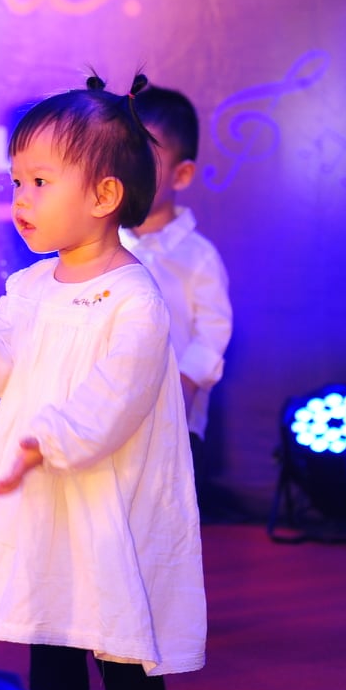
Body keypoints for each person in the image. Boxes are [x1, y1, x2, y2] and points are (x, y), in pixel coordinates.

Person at [0, 74, 206, 690]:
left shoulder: (135, 300)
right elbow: (1, 368)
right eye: (17, 181)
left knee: (121, 646)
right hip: (50, 499)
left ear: (104, 195)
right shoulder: (32, 285)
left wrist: (46, 441)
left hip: (111, 502)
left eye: (40, 182)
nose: (22, 198)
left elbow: (114, 400)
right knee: (51, 632)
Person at [118, 85, 233, 496]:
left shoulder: (198, 256)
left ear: (181, 175)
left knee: (162, 515)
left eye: (144, 159)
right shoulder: (98, 246)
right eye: (120, 153)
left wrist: (185, 383)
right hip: (105, 416)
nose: (127, 169)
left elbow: (213, 331)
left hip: (174, 419)